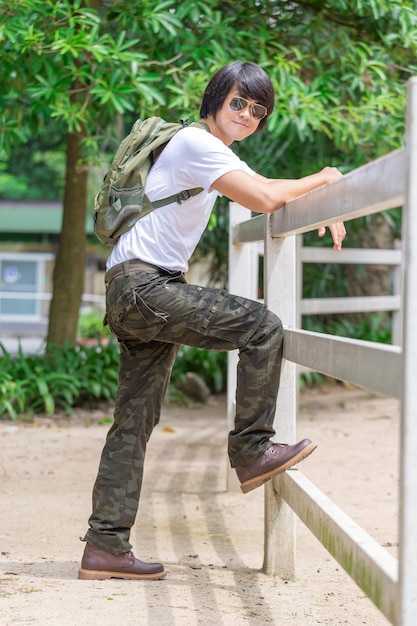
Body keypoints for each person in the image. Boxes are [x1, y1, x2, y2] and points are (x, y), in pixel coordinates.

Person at [79, 61, 346, 581]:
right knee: (262, 326)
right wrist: (329, 178)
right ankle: (251, 450)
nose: (247, 114)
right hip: (148, 288)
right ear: (215, 100)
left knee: (133, 422)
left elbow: (265, 185)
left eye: (257, 109)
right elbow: (266, 197)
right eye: (238, 103)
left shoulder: (204, 149)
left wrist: (316, 195)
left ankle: (104, 546)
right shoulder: (198, 145)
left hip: (131, 289)